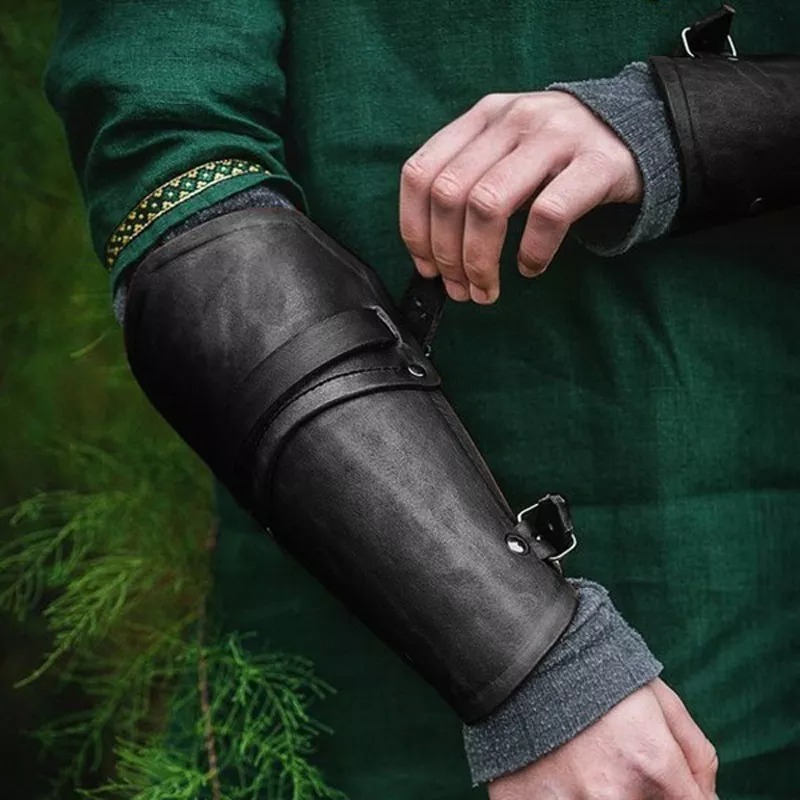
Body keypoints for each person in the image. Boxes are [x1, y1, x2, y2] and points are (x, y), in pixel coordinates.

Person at [44, 2, 800, 798]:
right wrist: (537, 665)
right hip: (368, 680)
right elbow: (181, 183)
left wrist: (682, 122)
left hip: (766, 581)